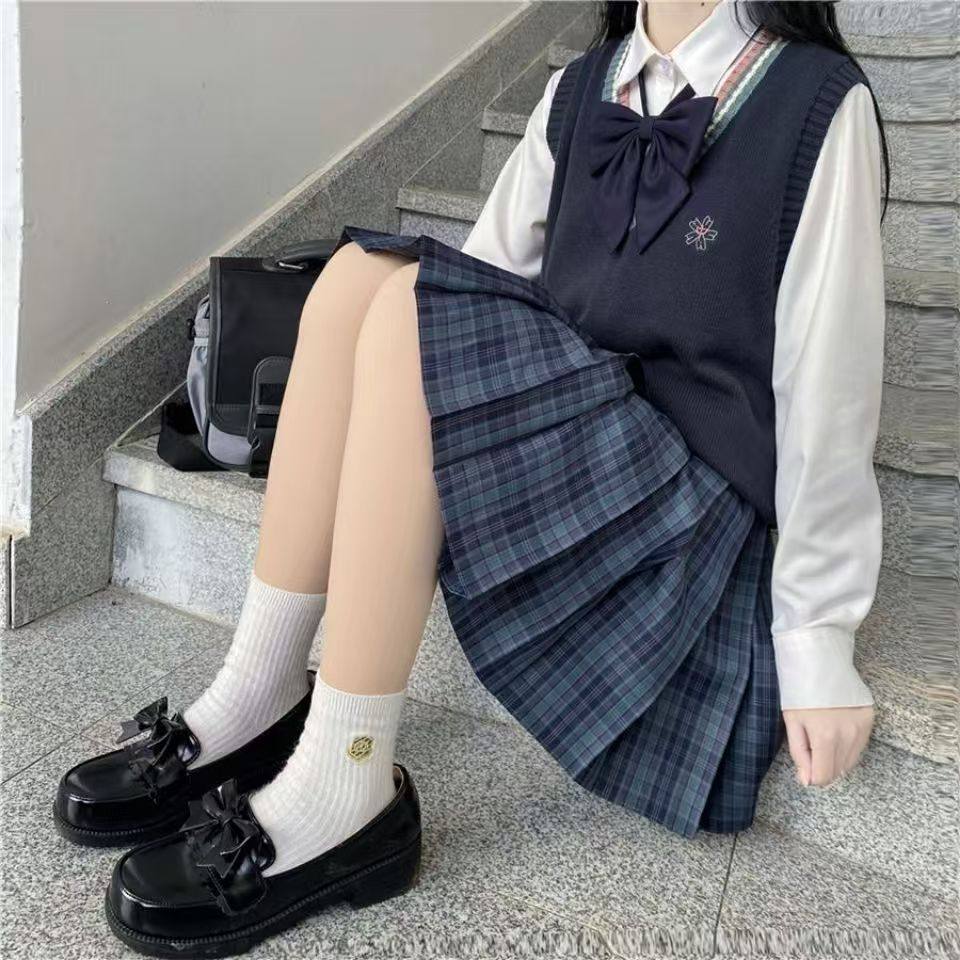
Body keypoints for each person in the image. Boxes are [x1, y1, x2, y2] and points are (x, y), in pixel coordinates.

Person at [53, 1, 887, 956]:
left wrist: (818, 635)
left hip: (687, 525)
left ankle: (346, 781)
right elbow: (473, 285)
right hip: (585, 465)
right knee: (359, 278)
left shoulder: (818, 103)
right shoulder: (580, 87)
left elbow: (831, 388)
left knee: (410, 305)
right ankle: (260, 688)